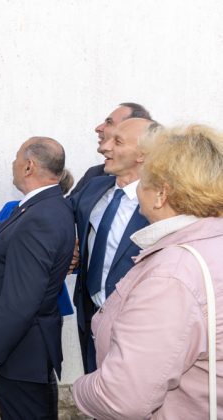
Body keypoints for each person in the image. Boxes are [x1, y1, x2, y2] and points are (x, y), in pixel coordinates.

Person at [73, 124, 223, 419]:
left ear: (161, 194)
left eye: (144, 179)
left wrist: (80, 388)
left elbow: (120, 398)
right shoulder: (211, 242)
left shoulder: (171, 275)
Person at [0, 137, 75, 419]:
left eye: (16, 157)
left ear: (29, 166)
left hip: (22, 355)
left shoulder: (40, 217)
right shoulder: (39, 208)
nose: (12, 163)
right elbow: (20, 275)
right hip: (21, 354)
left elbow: (22, 303)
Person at [0, 103, 151, 244]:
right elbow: (59, 211)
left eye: (110, 123)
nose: (99, 128)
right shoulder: (95, 179)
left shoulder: (161, 198)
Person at [69, 118, 156, 373]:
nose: (103, 148)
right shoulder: (94, 188)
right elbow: (52, 216)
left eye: (117, 141)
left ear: (143, 154)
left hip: (137, 327)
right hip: (90, 314)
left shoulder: (164, 203)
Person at [69, 102, 152, 196]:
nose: (98, 128)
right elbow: (68, 205)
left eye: (109, 123)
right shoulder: (94, 175)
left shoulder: (159, 194)